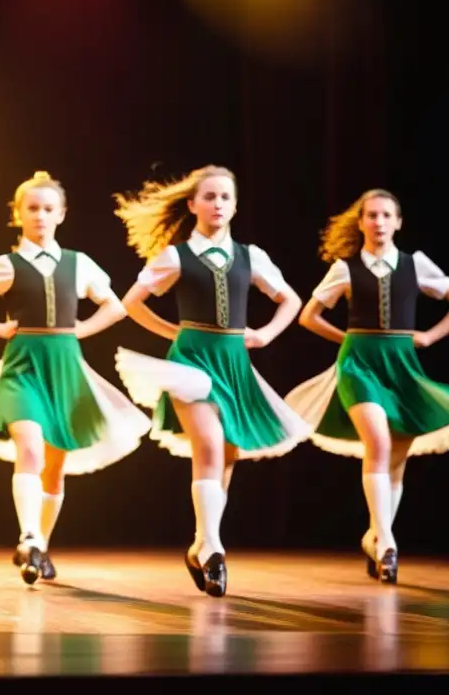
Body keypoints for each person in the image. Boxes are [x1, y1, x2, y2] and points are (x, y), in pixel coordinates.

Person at [112, 165, 309, 597]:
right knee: (208, 446)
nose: (217, 204)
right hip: (192, 363)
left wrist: (266, 333)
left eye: (225, 197)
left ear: (234, 205)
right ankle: (216, 550)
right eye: (209, 196)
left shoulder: (250, 256)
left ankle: (201, 542)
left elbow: (289, 298)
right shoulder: (176, 256)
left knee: (230, 452)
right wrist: (173, 334)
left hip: (235, 363)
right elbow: (133, 303)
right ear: (192, 204)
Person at [0, 171, 150, 584]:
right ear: (18, 214)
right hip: (21, 365)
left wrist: (77, 330)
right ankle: (28, 537)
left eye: (48, 209)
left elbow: (114, 307)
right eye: (32, 208)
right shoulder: (5, 265)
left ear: (60, 214)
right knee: (30, 448)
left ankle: (39, 543)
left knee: (55, 467)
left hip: (65, 367)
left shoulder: (78, 265)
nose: (40, 216)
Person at [286, 188, 449, 583]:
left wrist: (429, 336)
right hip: (358, 365)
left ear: (398, 222)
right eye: (371, 215)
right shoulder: (345, 268)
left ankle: (375, 536)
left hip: (401, 365)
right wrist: (347, 339)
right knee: (377, 444)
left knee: (396, 460)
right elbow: (309, 316)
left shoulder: (416, 265)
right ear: (360, 222)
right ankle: (389, 544)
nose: (378, 222)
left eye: (385, 215)